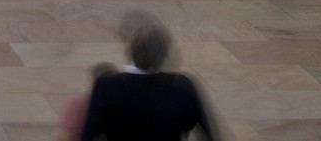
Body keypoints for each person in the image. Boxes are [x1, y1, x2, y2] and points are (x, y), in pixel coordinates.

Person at [79, 15, 217, 140]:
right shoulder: (182, 89)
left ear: (131, 51)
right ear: (163, 55)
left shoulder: (106, 86)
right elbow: (208, 135)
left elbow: (89, 135)